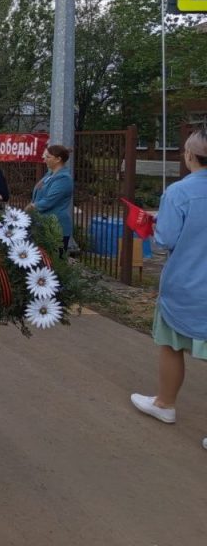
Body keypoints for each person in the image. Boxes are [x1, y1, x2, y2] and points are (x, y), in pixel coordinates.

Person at [130, 126, 207, 449]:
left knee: (171, 344)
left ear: (190, 155)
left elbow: (165, 240)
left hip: (187, 285)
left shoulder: (180, 192)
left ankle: (165, 404)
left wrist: (156, 223)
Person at [28, 144, 74, 255]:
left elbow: (49, 201)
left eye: (48, 157)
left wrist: (32, 206)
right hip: (42, 225)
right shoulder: (49, 174)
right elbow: (39, 193)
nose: (44, 159)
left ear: (58, 159)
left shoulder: (63, 178)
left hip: (56, 227)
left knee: (56, 264)